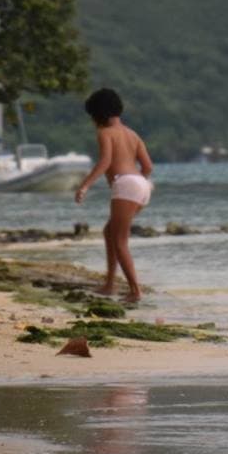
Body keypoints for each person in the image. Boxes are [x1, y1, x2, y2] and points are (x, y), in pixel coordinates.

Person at [73, 88, 154, 302]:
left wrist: (84, 186)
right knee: (110, 232)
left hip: (126, 184)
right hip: (142, 185)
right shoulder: (132, 134)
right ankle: (110, 284)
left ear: (98, 114)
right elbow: (148, 166)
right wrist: (139, 183)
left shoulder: (105, 133)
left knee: (120, 241)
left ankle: (135, 291)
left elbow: (105, 162)